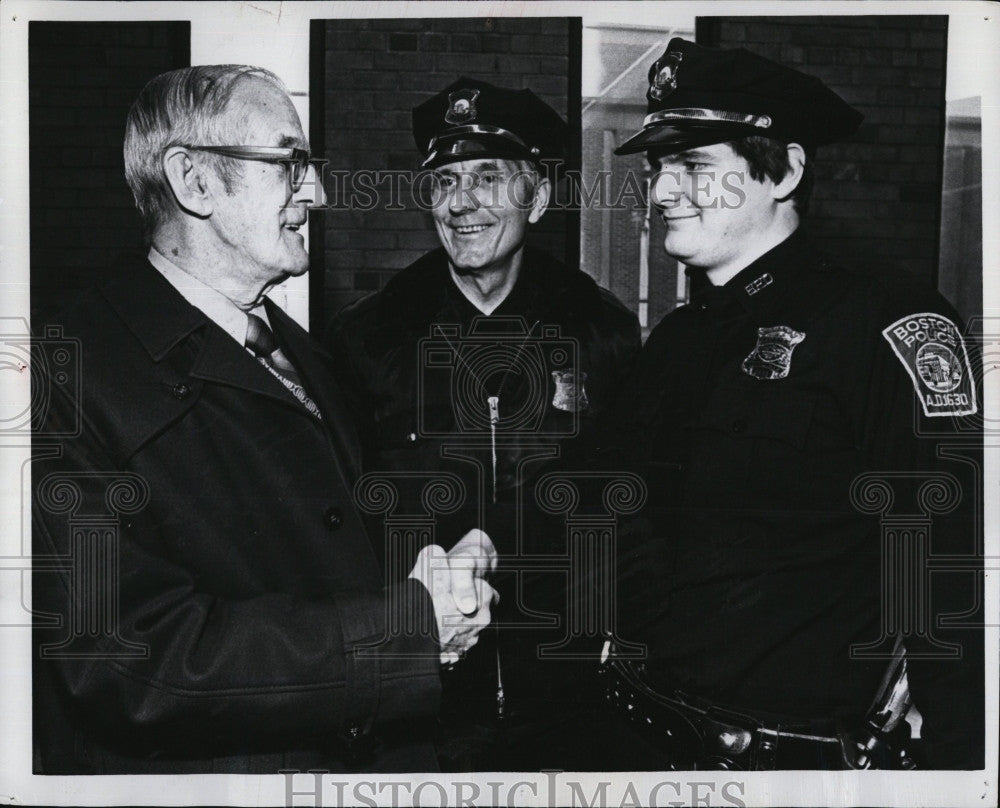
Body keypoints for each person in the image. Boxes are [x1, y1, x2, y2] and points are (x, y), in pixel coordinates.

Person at [31, 64, 497, 774]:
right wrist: (399, 629)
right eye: (290, 163)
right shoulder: (64, 375)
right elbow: (126, 661)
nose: (318, 191)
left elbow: (313, 552)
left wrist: (426, 584)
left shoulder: (306, 353)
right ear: (194, 183)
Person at [599, 38, 983, 769]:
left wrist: (957, 774)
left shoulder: (888, 322)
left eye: (693, 169)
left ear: (786, 170)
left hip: (782, 763)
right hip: (640, 739)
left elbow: (945, 574)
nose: (661, 193)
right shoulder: (675, 340)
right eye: (657, 170)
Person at [326, 78, 642, 769]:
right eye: (444, 181)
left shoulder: (603, 333)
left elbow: (635, 520)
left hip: (571, 707)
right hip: (418, 712)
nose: (460, 202)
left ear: (540, 196)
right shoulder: (367, 340)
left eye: (487, 177)